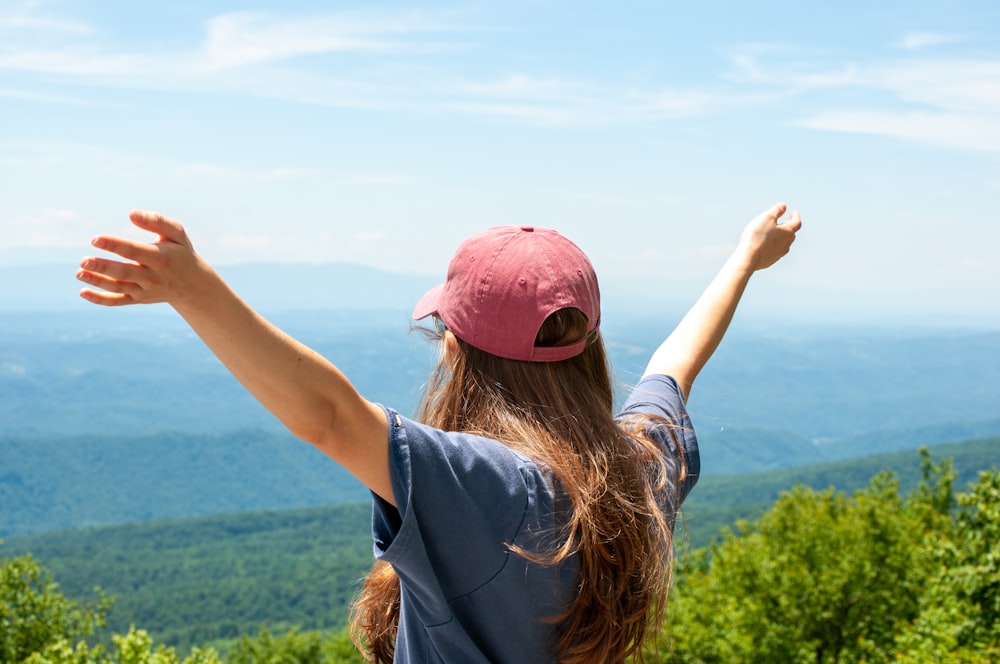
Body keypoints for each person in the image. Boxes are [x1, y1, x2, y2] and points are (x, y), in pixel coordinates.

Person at [77, 203, 801, 663]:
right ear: (588, 345)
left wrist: (193, 289)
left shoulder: (492, 488)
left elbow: (328, 416)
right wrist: (745, 257)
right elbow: (676, 365)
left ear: (454, 348)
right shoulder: (638, 468)